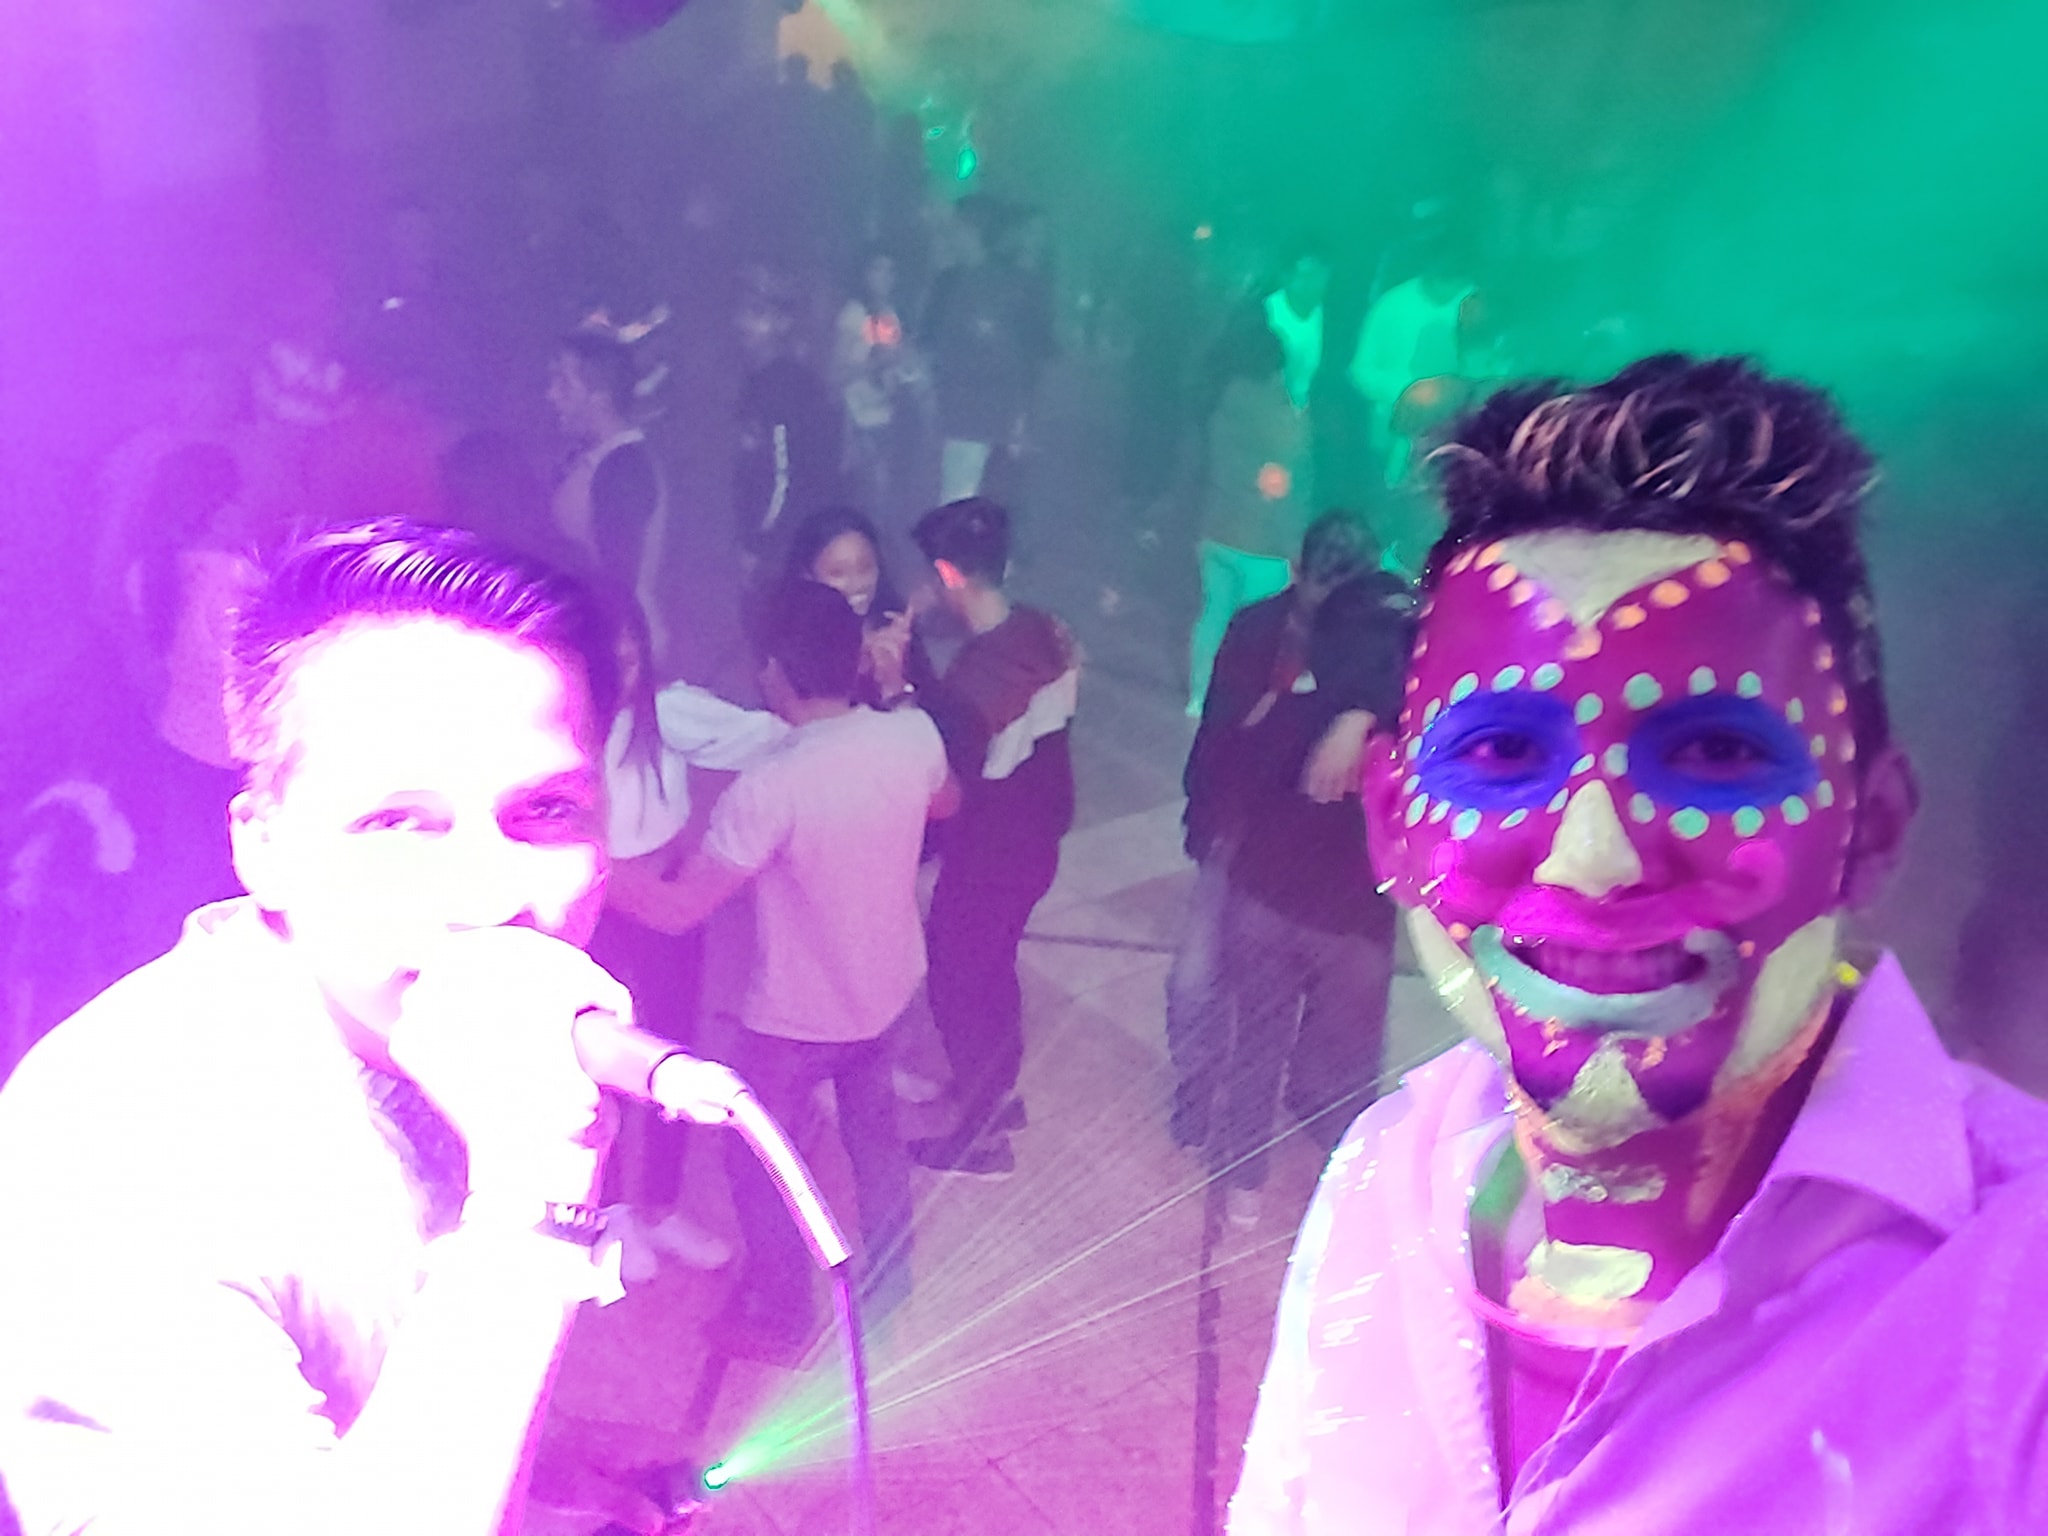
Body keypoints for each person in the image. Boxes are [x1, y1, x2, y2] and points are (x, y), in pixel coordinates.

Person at [1230, 356, 2048, 1533]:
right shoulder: (1381, 1175)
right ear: (1392, 825)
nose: (1591, 856)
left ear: (1868, 832)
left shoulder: (2012, 1306)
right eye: (1500, 751)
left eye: (1713, 752)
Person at [0, 520, 741, 1536]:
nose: (491, 895)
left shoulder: (415, 1039)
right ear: (262, 847)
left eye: (545, 810)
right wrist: (533, 1203)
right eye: (396, 821)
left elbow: (349, 1389)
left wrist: (550, 1469)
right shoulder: (116, 1155)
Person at [607, 579, 953, 1354]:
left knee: (755, 1156)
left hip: (797, 1015)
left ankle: (783, 1310)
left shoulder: (772, 787)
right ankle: (889, 1284)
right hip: (889, 989)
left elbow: (677, 911)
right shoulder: (912, 734)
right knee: (876, 1144)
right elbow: (947, 803)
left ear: (772, 671)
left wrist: (589, 853)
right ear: (855, 658)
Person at [1173, 515, 1409, 1228]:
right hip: (1320, 903)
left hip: (1286, 898)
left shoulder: (1318, 701)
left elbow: (1238, 762)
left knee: (1276, 1042)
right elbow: (1220, 754)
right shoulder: (1400, 693)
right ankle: (1327, 1194)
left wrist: (1333, 714)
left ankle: (1254, 1180)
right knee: (1324, 1055)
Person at [590, 592, 788, 1280]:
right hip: (596, 908)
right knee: (604, 1056)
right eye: (606, 652)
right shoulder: (563, 719)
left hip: (669, 902)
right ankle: (609, 1215)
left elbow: (767, 737)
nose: (622, 665)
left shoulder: (666, 710)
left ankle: (660, 1205)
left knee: (674, 1048)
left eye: (631, 650)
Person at [905, 498, 1080, 1176]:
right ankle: (996, 1095)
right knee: (994, 966)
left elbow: (947, 758)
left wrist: (904, 663)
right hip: (1037, 839)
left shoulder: (982, 673)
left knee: (957, 975)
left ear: (948, 574)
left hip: (992, 846)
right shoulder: (1044, 631)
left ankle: (978, 1135)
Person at [1188, 307, 1316, 717]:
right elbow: (1286, 484)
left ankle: (1198, 696)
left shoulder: (1225, 403)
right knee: (1257, 631)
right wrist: (1294, 548)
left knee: (1213, 616)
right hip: (1262, 544)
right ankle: (1238, 705)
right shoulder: (1281, 414)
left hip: (1216, 530)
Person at [546, 330, 672, 664]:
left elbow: (617, 579)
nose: (551, 395)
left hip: (617, 649)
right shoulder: (591, 458)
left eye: (564, 384)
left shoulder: (624, 469)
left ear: (599, 399)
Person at [923, 199, 1037, 503]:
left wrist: (1019, 418)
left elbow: (1018, 354)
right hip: (961, 410)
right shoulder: (950, 281)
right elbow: (930, 342)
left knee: (961, 498)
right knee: (965, 494)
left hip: (976, 412)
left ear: (973, 232)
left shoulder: (1003, 286)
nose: (950, 235)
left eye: (956, 228)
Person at [733, 278, 844, 575]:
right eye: (742, 311)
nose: (744, 323)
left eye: (758, 314)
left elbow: (782, 476)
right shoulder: (756, 379)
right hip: (779, 534)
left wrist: (758, 543)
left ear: (783, 324)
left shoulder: (782, 386)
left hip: (784, 540)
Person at [782, 506, 936, 711]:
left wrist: (894, 676)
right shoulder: (796, 645)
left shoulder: (898, 633)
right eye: (837, 573)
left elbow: (930, 718)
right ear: (807, 576)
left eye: (865, 568)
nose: (857, 584)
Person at [832, 249, 928, 517]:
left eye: (890, 271)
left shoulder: (887, 313)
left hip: (888, 416)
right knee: (870, 498)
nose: (885, 277)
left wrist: (909, 364)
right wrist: (881, 362)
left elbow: (893, 362)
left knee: (889, 497)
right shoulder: (855, 313)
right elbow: (837, 373)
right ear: (863, 274)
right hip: (860, 420)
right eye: (878, 269)